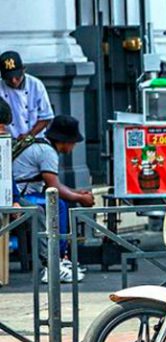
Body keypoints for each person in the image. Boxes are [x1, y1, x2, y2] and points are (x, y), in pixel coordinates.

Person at [12, 115, 95, 282]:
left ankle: (60, 257)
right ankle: (53, 262)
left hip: (25, 192)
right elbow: (54, 188)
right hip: (20, 195)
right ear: (65, 141)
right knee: (57, 205)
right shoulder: (47, 152)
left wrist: (77, 193)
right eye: (73, 143)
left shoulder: (43, 146)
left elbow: (54, 185)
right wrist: (80, 198)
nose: (73, 147)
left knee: (59, 202)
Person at [0, 51, 54, 141]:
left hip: (35, 139)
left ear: (24, 70)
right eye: (9, 78)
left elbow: (46, 117)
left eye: (17, 77)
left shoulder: (36, 85)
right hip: (8, 139)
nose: (13, 81)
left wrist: (29, 135)